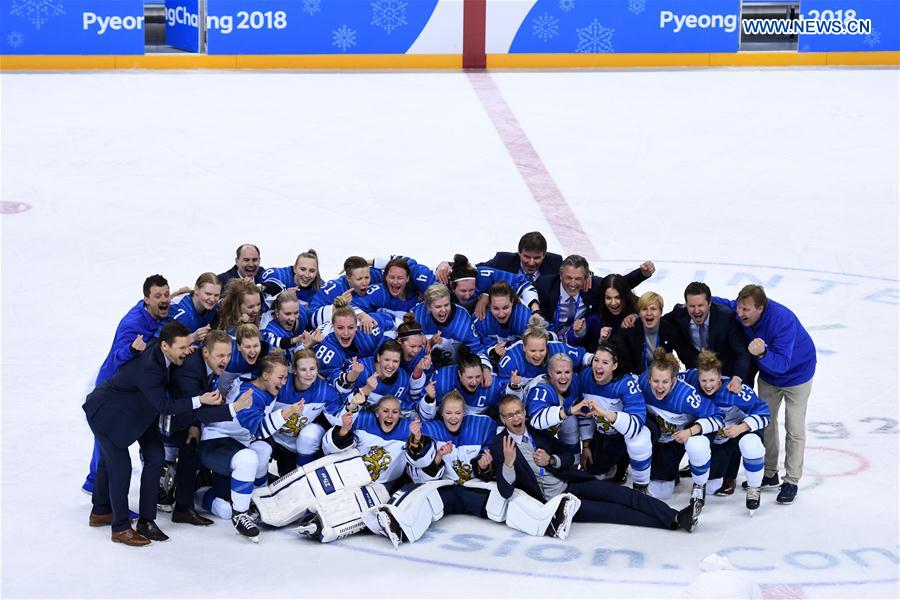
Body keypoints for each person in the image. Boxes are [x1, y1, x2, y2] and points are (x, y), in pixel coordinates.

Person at [83, 322, 228, 546]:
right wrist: (201, 400)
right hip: (107, 416)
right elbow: (164, 406)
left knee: (155, 457)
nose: (188, 352)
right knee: (119, 467)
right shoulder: (149, 368)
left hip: (140, 415)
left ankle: (121, 515)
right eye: (182, 348)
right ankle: (120, 528)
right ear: (165, 346)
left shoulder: (166, 351)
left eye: (189, 346)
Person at [493, 395, 700, 533]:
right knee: (615, 512)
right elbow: (505, 491)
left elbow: (566, 454)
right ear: (503, 419)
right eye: (510, 415)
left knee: (625, 495)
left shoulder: (537, 431)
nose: (516, 418)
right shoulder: (501, 446)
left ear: (525, 412)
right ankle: (671, 522)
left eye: (518, 412)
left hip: (572, 482)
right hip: (558, 502)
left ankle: (675, 516)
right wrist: (509, 465)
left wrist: (551, 460)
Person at [714, 284, 816, 505]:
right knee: (765, 423)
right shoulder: (743, 309)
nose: (740, 314)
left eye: (746, 310)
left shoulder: (783, 321)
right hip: (769, 376)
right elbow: (724, 303)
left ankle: (791, 480)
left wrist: (762, 353)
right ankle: (769, 473)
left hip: (797, 375)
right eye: (740, 308)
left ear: (761, 308)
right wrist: (691, 304)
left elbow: (782, 364)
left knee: (794, 428)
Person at [198, 351, 303, 542]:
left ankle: (259, 498)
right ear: (265, 375)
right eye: (281, 377)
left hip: (237, 443)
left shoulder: (265, 386)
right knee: (226, 505)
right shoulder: (249, 395)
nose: (284, 382)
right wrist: (288, 412)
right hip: (215, 442)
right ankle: (237, 513)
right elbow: (261, 429)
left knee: (263, 450)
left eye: (286, 377)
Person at [82, 274, 173, 495]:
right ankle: (96, 488)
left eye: (167, 294)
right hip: (110, 388)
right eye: (158, 296)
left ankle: (97, 490)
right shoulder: (133, 324)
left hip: (124, 388)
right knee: (106, 444)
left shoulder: (153, 311)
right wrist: (132, 349)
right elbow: (118, 357)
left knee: (107, 444)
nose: (164, 299)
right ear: (146, 300)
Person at [163, 330, 252, 523]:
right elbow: (199, 411)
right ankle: (181, 506)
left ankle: (185, 501)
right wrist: (234, 408)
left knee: (192, 446)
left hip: (184, 415)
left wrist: (196, 425)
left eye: (228, 355)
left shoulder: (205, 364)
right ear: (206, 353)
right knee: (189, 449)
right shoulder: (189, 371)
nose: (225, 360)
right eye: (220, 355)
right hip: (165, 419)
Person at [681, 351, 771, 513]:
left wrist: (741, 427)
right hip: (715, 436)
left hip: (737, 433)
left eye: (712, 380)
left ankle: (754, 487)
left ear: (720, 377)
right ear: (697, 377)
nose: (708, 385)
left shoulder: (734, 390)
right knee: (711, 485)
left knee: (751, 444)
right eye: (704, 380)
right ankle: (699, 485)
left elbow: (764, 413)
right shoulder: (691, 378)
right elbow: (669, 377)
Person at [640, 349, 724, 514]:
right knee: (661, 492)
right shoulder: (642, 383)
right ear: (649, 379)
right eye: (655, 381)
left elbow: (718, 416)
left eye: (665, 381)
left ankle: (700, 485)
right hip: (664, 438)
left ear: (673, 379)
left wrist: (692, 431)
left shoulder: (686, 396)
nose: (659, 387)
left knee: (696, 443)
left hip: (684, 435)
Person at [536, 256, 654, 351]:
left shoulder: (593, 286)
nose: (573, 283)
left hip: (578, 344)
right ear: (560, 276)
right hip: (546, 339)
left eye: (578, 279)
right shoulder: (545, 284)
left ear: (586, 278)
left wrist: (642, 273)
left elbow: (619, 284)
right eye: (569, 278)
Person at [578, 344, 653, 492]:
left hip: (622, 433)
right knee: (592, 472)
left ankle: (640, 484)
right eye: (596, 360)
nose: (598, 366)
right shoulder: (585, 376)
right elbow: (582, 412)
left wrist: (605, 413)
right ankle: (615, 463)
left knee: (639, 438)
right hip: (601, 432)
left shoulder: (625, 383)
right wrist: (586, 445)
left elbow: (636, 423)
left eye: (605, 362)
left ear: (614, 365)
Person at [663, 281, 751, 392]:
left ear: (709, 303)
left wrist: (737, 379)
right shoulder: (679, 313)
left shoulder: (726, 318)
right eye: (691, 306)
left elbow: (741, 352)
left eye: (700, 305)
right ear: (686, 305)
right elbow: (660, 322)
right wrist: (636, 317)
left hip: (725, 378)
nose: (696, 310)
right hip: (696, 377)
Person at [270, 349, 342, 472]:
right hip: (271, 438)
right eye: (303, 369)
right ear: (294, 370)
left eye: (312, 369)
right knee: (260, 450)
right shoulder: (280, 384)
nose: (309, 374)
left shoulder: (326, 391)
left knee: (309, 436)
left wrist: (355, 405)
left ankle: (304, 476)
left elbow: (337, 418)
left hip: (295, 446)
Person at [322, 395, 416, 487]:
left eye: (395, 412)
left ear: (399, 415)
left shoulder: (410, 432)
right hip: (348, 478)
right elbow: (330, 450)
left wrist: (418, 439)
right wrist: (344, 429)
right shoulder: (361, 423)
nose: (390, 416)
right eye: (385, 411)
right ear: (377, 413)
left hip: (380, 489)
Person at [496, 316, 590, 395]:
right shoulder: (511, 361)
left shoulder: (558, 349)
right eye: (532, 350)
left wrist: (593, 359)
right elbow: (503, 396)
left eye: (542, 350)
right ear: (524, 347)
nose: (538, 355)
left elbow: (583, 356)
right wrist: (513, 387)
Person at [314, 295, 395, 385]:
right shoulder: (325, 344)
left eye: (351, 327)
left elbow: (394, 321)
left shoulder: (369, 325)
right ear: (333, 326)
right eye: (340, 328)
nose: (346, 333)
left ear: (356, 325)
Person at [411, 284, 492, 373]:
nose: (443, 310)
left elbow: (477, 349)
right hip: (421, 367)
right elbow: (401, 336)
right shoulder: (418, 313)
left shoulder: (462, 320)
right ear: (429, 307)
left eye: (446, 305)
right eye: (438, 306)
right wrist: (417, 335)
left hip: (455, 368)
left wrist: (485, 369)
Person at [524, 354, 593, 454]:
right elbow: (536, 421)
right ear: (550, 373)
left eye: (567, 372)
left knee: (571, 420)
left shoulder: (575, 383)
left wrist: (586, 446)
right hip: (532, 434)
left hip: (556, 426)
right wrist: (569, 411)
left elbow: (584, 412)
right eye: (558, 372)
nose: (563, 377)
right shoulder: (541, 389)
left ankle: (573, 459)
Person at [335, 340, 421, 416]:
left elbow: (405, 409)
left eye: (395, 361)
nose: (391, 365)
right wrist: (365, 389)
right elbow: (341, 400)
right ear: (379, 357)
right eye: (387, 360)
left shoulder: (403, 380)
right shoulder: (360, 368)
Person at [443, 254, 539, 319]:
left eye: (471, 290)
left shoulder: (486, 276)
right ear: (451, 285)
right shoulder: (441, 285)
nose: (468, 295)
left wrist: (536, 311)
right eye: (463, 291)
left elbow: (523, 284)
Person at [420, 350, 503, 419]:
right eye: (469, 377)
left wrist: (486, 367)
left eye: (478, 376)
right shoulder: (440, 381)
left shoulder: (493, 386)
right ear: (460, 374)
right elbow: (425, 418)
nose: (474, 382)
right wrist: (429, 399)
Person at [611, 291, 679, 376]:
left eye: (653, 309)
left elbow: (684, 353)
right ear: (639, 313)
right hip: (636, 378)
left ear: (661, 312)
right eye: (644, 309)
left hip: (661, 378)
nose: (649, 313)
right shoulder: (630, 328)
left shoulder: (669, 329)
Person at [474, 281, 534, 365]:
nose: (501, 314)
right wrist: (493, 354)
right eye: (496, 308)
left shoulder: (526, 318)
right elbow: (478, 348)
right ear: (489, 305)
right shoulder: (481, 319)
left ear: (512, 302)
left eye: (505, 308)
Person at [476, 231, 562, 284]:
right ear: (519, 253)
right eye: (527, 257)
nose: (531, 263)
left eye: (537, 258)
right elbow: (476, 270)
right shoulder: (502, 261)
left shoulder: (556, 264)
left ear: (544, 255)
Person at [260, 290, 312, 364]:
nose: (293, 318)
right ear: (277, 312)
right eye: (288, 314)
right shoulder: (267, 331)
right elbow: (286, 361)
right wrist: (304, 346)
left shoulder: (301, 314)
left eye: (296, 313)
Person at [170, 272, 221, 344]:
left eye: (216, 295)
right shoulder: (178, 310)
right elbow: (161, 343)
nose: (212, 299)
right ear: (196, 290)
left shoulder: (214, 308)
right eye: (208, 294)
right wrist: (192, 338)